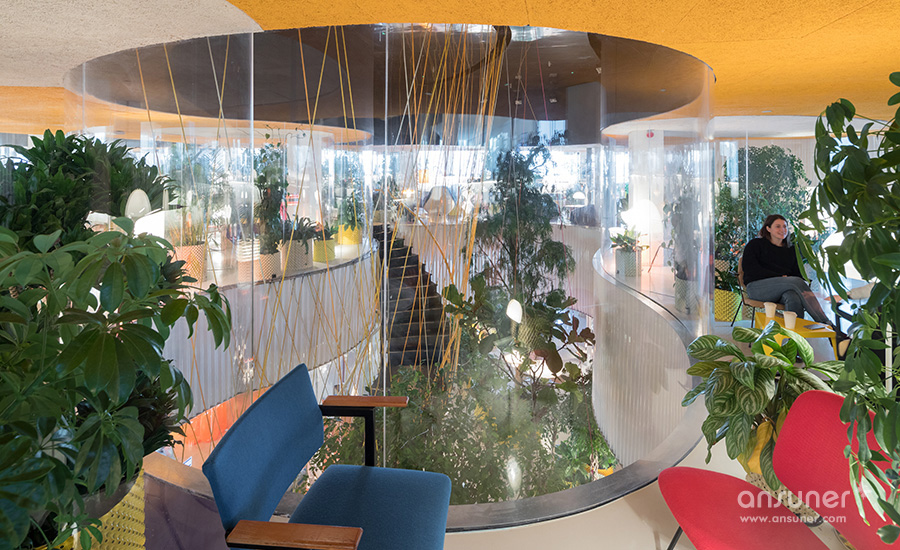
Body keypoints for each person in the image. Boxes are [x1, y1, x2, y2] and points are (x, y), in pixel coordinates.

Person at [742, 214, 832, 326]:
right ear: (768, 228)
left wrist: (787, 280)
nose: (782, 229)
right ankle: (826, 323)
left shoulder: (791, 250)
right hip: (757, 289)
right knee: (795, 282)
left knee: (793, 297)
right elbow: (751, 269)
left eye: (785, 226)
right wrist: (780, 277)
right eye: (778, 226)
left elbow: (796, 274)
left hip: (782, 290)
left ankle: (795, 334)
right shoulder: (755, 245)